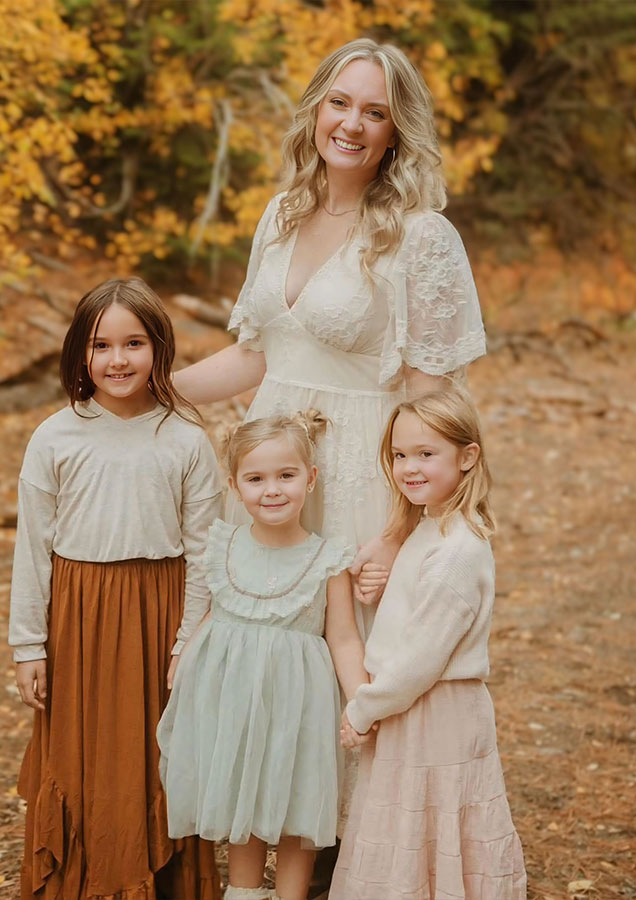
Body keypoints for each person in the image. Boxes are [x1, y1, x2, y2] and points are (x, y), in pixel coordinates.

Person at [172, 37, 486, 637]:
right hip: (272, 470)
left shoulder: (422, 236)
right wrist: (150, 391)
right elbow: (255, 357)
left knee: (349, 653)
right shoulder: (281, 213)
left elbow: (433, 405)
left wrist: (398, 532)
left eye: (375, 112)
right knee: (262, 650)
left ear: (395, 132)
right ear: (316, 109)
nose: (352, 124)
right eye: (339, 103)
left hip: (363, 482)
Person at [8, 278, 222, 900]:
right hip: (78, 618)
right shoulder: (56, 436)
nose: (118, 359)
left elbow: (206, 552)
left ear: (160, 348)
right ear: (80, 352)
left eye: (134, 343)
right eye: (101, 345)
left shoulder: (185, 438)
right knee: (81, 755)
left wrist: (189, 641)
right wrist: (28, 645)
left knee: (153, 756)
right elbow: (33, 549)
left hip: (159, 615)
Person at [156, 411, 371, 900]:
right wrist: (184, 660)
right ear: (234, 486)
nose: (272, 490)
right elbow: (209, 615)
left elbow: (343, 638)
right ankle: (245, 891)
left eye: (286, 475)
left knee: (299, 804)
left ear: (310, 479)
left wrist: (362, 700)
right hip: (233, 701)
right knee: (242, 798)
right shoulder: (223, 545)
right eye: (255, 479)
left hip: (299, 706)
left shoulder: (328, 558)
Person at [331, 388, 527, 900]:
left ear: (467, 457)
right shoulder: (430, 528)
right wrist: (384, 589)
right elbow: (415, 620)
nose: (408, 467)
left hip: (434, 710)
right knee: (413, 826)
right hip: (412, 706)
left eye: (425, 453)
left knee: (432, 821)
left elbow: (420, 659)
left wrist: (363, 709)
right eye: (399, 455)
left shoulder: (457, 551)